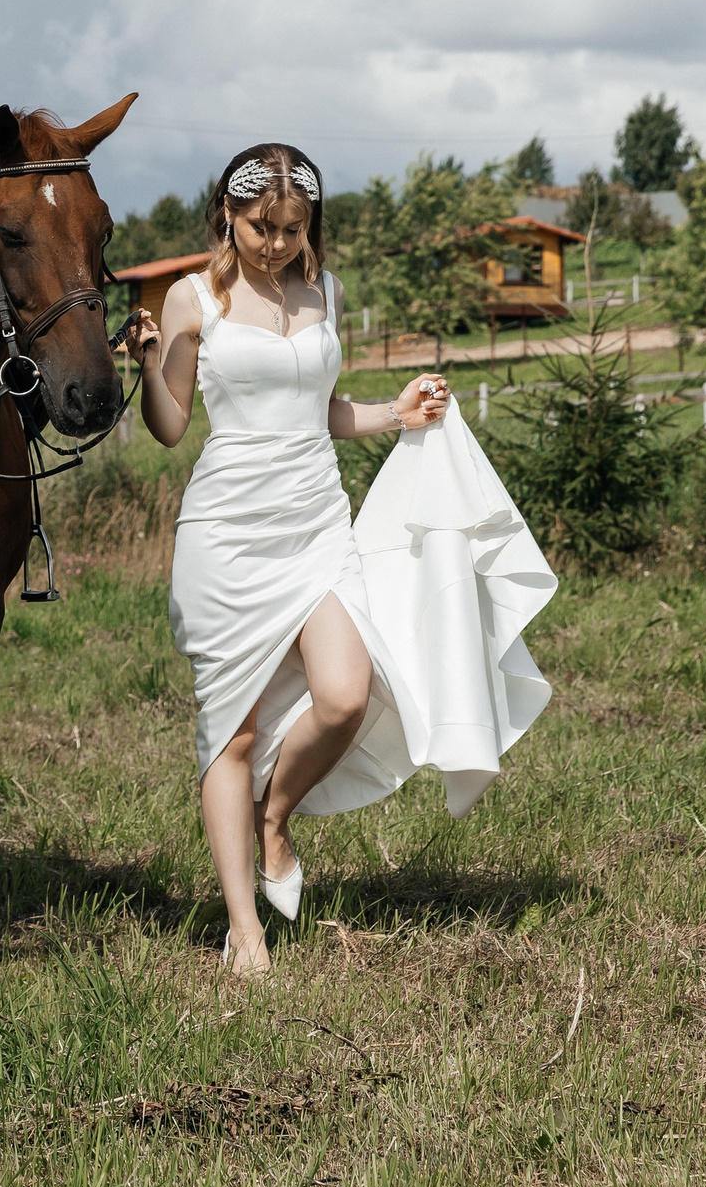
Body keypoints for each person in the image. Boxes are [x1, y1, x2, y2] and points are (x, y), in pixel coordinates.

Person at [131, 142, 551, 977]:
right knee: (235, 733)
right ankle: (245, 932)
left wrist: (396, 414)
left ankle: (275, 819)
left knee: (347, 692)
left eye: (293, 228)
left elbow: (318, 412)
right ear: (228, 212)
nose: (278, 244)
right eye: (261, 227)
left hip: (318, 525)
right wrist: (148, 359)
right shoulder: (191, 298)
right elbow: (172, 426)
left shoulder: (325, 291)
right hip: (228, 535)